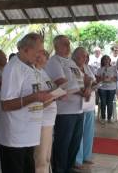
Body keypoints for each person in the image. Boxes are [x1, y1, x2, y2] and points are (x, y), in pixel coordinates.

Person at [0, 33, 53, 173]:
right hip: (15, 138)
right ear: (26, 49)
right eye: (38, 51)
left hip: (29, 135)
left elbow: (35, 97)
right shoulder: (14, 68)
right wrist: (34, 97)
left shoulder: (31, 67)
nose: (40, 55)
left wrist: (47, 98)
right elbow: (6, 105)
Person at [45, 35, 86, 173]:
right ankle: (59, 169)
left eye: (69, 44)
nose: (68, 47)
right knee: (63, 143)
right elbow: (62, 83)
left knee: (74, 142)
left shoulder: (71, 62)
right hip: (65, 110)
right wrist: (82, 90)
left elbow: (82, 80)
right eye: (65, 44)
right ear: (56, 46)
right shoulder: (54, 61)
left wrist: (88, 88)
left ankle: (69, 168)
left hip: (79, 109)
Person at [72, 47, 96, 170]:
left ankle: (86, 156)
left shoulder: (87, 67)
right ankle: (77, 159)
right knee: (79, 134)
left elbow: (92, 80)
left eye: (86, 56)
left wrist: (90, 87)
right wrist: (86, 88)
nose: (85, 58)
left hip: (89, 104)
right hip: (78, 105)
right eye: (82, 56)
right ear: (75, 57)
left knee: (89, 132)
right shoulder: (72, 68)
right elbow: (74, 85)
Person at [34, 50, 57, 173]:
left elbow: (50, 89)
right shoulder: (33, 73)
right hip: (41, 121)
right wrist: (53, 96)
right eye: (45, 55)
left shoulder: (43, 72)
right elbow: (37, 100)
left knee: (47, 157)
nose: (47, 58)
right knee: (41, 158)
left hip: (49, 120)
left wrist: (57, 92)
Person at [96, 55, 118, 124]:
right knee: (103, 103)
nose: (106, 60)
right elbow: (97, 79)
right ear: (102, 61)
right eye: (104, 59)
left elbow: (116, 78)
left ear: (110, 60)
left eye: (107, 59)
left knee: (110, 103)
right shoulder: (99, 69)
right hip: (102, 88)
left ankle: (109, 118)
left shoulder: (113, 68)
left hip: (111, 88)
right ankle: (103, 118)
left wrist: (110, 79)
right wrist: (102, 78)